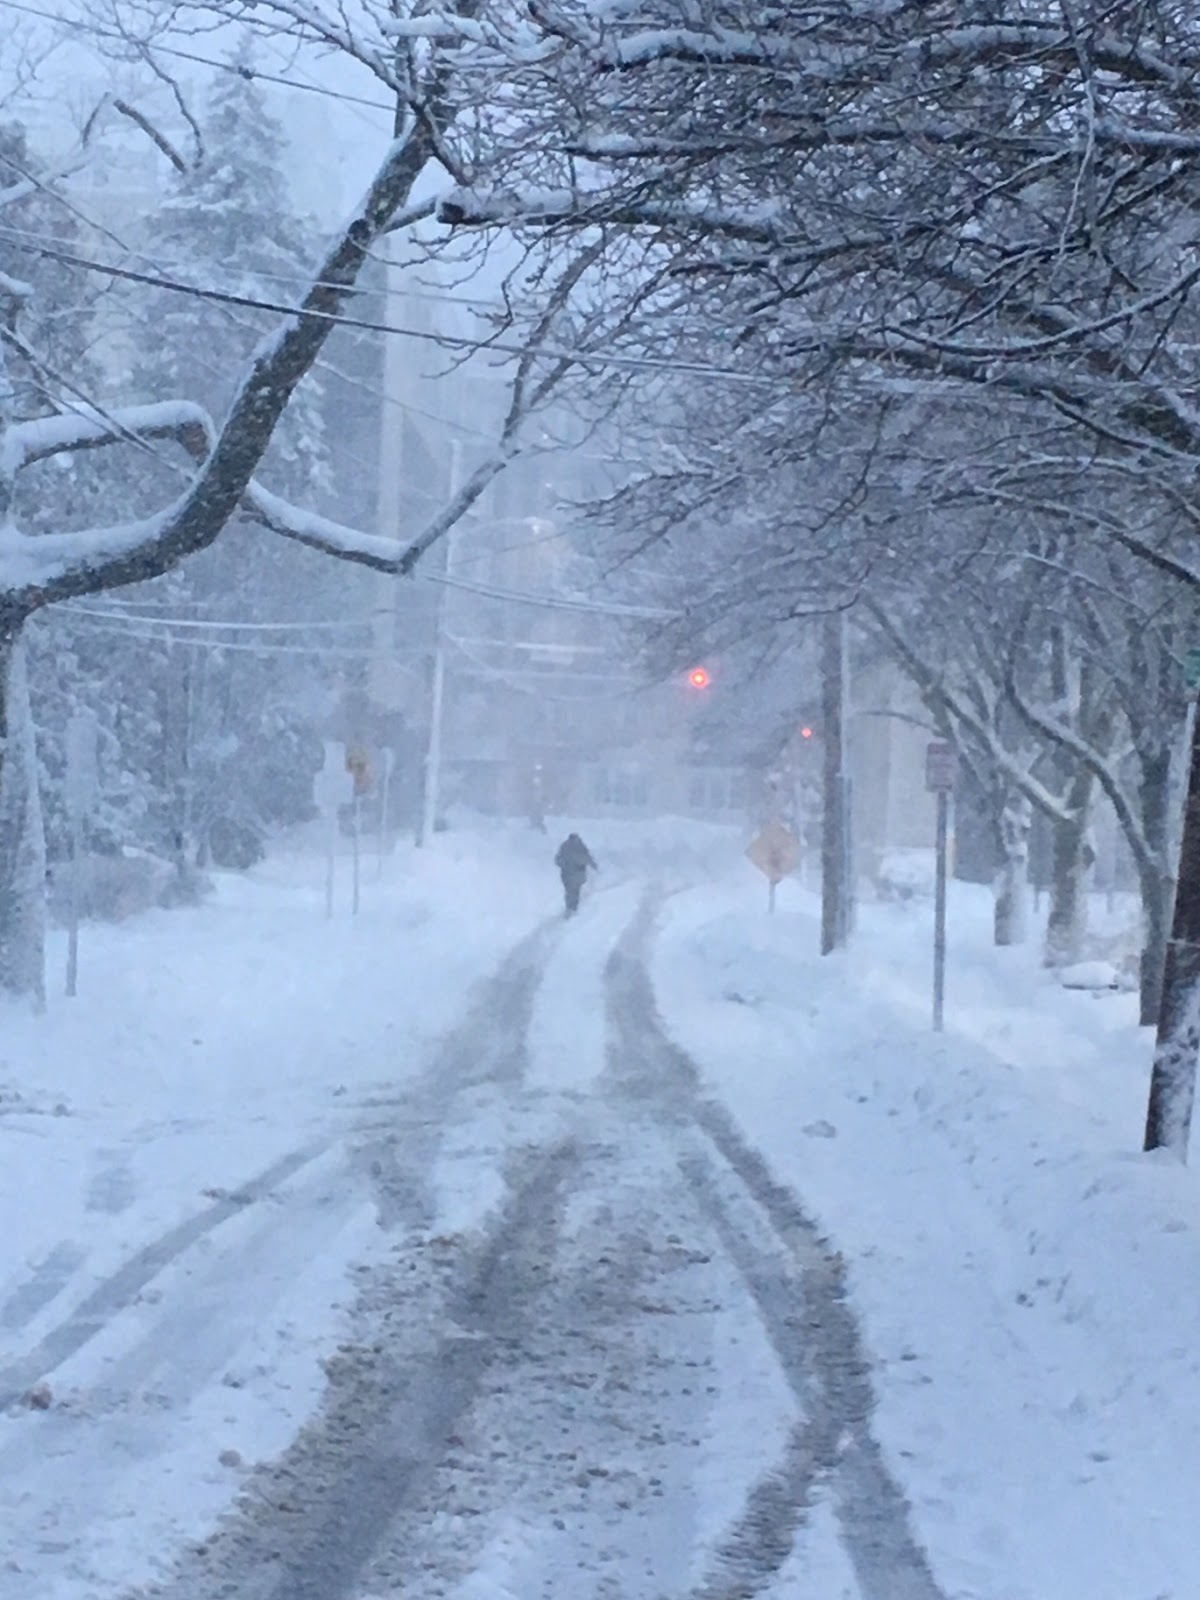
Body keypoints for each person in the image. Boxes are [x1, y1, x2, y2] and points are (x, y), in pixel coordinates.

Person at [555, 832, 598, 916]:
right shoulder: (579, 846)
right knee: (575, 891)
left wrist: (564, 864)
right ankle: (573, 908)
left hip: (568, 874)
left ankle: (570, 908)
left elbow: (557, 860)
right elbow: (587, 858)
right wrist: (594, 866)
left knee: (570, 891)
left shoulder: (564, 846)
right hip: (577, 874)